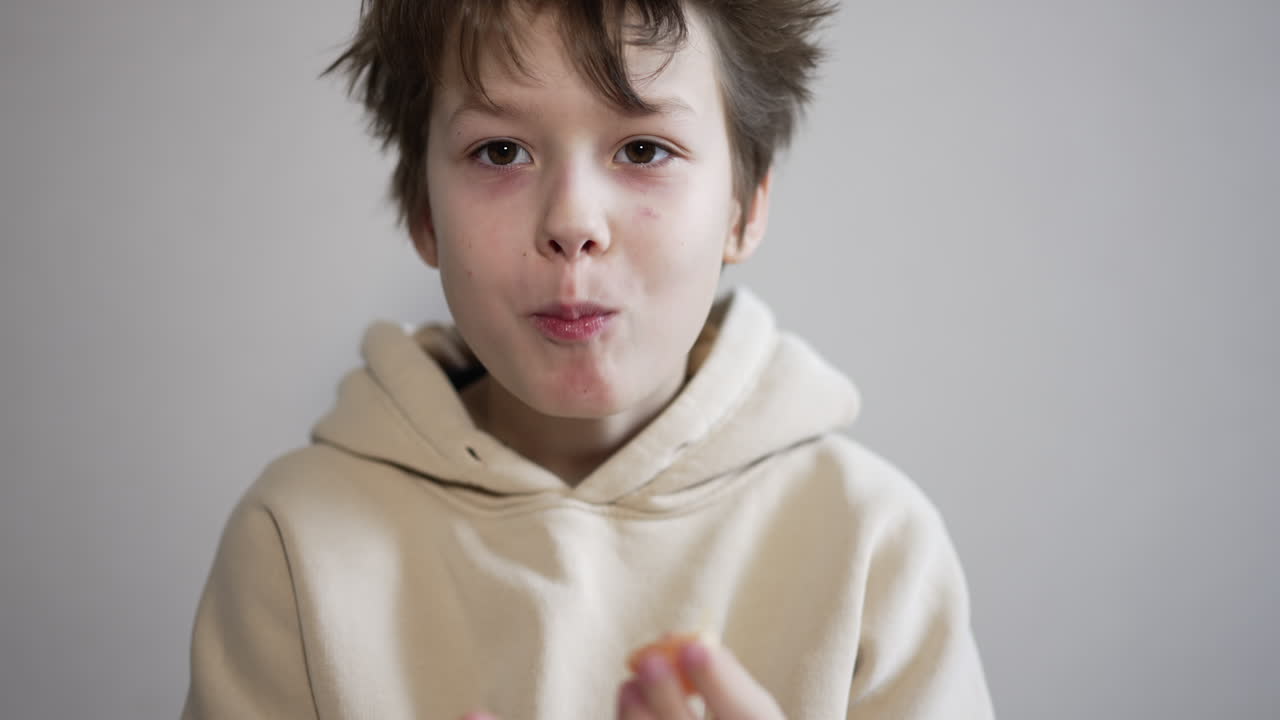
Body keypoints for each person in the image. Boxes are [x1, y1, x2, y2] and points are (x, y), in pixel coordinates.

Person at [181, 0, 996, 717]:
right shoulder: (295, 539)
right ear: (423, 213)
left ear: (744, 210)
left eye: (643, 150)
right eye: (501, 153)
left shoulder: (873, 548)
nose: (573, 221)